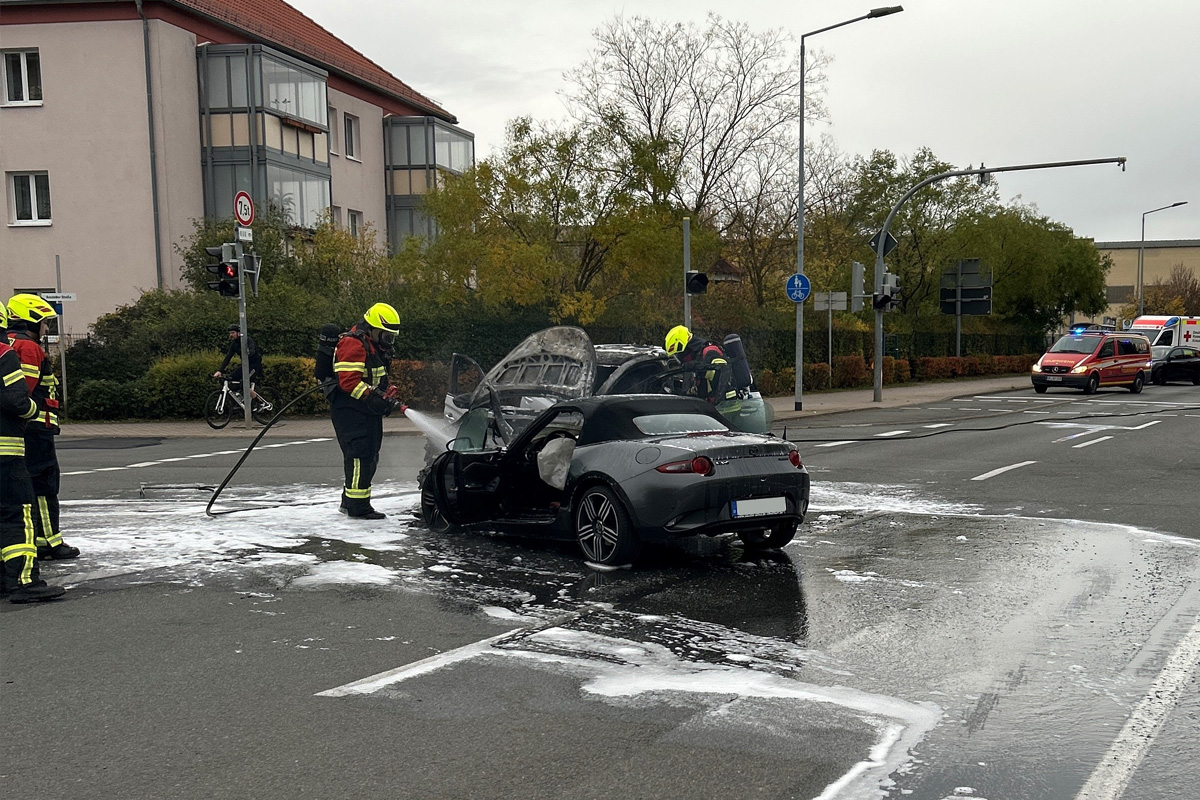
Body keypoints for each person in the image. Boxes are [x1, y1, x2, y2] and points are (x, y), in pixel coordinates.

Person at [5, 294, 80, 561]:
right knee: (44, 484)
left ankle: (36, 539)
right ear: (31, 320)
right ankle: (49, 541)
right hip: (35, 427)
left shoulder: (9, 343)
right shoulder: (28, 347)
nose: (47, 329)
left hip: (21, 429)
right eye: (44, 322)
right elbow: (22, 390)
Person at [0, 301, 66, 603]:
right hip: (18, 440)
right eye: (45, 322)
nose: (47, 328)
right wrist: (33, 412)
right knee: (20, 508)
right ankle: (24, 580)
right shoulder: (17, 350)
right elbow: (18, 396)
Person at [330, 303, 406, 519]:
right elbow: (348, 382)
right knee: (359, 456)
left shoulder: (372, 345)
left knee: (370, 454)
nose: (388, 342)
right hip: (350, 411)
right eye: (386, 336)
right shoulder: (353, 344)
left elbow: (371, 376)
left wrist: (383, 394)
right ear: (372, 329)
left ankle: (349, 502)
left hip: (365, 410)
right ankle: (357, 507)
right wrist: (374, 397)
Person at [664, 325, 737, 405]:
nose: (679, 358)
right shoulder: (696, 358)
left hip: (728, 405)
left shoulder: (709, 351)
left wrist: (697, 367)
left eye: (678, 354)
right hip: (711, 408)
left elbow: (723, 370)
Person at [213, 324, 264, 403]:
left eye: (233, 333)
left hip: (255, 365)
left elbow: (252, 350)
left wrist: (248, 353)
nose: (231, 335)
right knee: (229, 379)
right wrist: (220, 371)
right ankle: (241, 400)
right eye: (230, 333)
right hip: (245, 365)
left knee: (244, 384)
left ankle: (259, 402)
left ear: (238, 333)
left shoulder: (247, 340)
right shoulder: (234, 344)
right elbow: (228, 357)